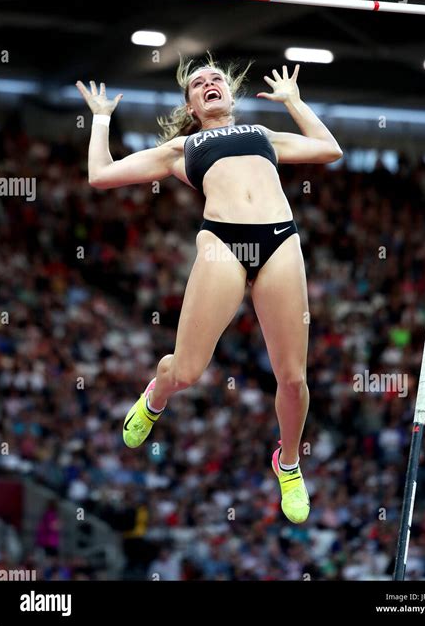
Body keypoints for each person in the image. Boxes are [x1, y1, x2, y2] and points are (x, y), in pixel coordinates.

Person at [76, 54, 342, 523]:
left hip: (280, 240)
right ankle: (157, 394)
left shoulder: (262, 135)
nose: (209, 83)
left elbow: (328, 149)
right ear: (193, 106)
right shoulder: (182, 148)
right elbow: (100, 176)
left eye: (216, 78)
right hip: (223, 244)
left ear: (230, 94)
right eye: (198, 84)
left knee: (294, 379)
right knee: (187, 372)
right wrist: (100, 121)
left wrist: (295, 102)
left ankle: (290, 463)